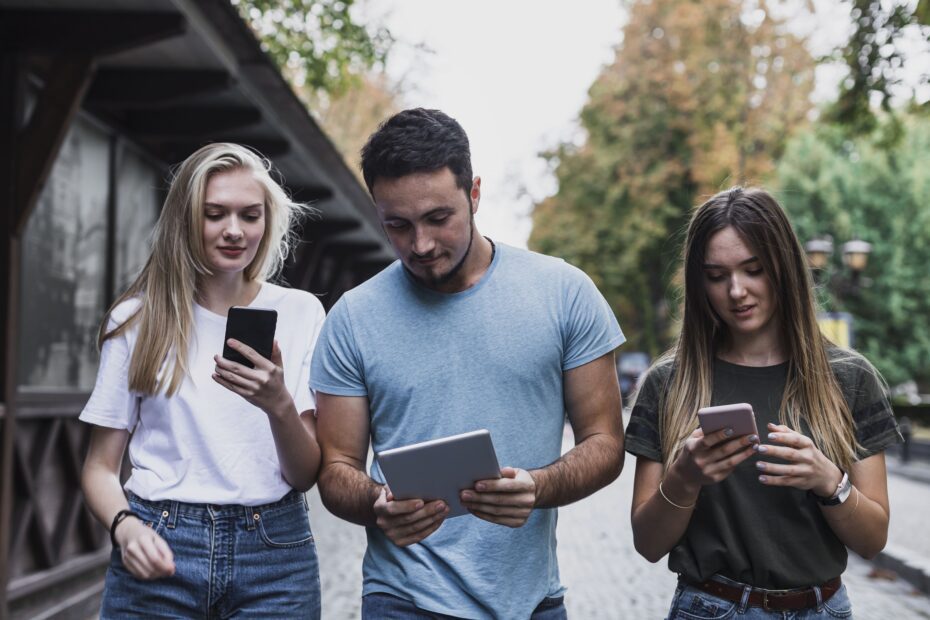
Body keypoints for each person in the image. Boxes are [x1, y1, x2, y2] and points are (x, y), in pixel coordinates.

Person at [310, 108, 626, 619]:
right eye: (398, 225)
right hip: (402, 599)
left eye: (439, 218)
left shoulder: (564, 293)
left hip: (532, 602)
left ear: (474, 193)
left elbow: (607, 444)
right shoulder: (352, 318)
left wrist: (539, 487)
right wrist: (377, 502)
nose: (422, 244)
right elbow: (335, 469)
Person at [626, 187, 902, 618]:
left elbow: (873, 540)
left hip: (823, 608)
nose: (737, 291)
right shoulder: (669, 383)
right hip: (711, 607)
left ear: (784, 267)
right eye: (717, 276)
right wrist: (685, 477)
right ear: (700, 284)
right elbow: (648, 543)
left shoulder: (849, 378)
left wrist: (828, 480)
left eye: (753, 269)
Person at [80, 143, 325, 618]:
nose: (234, 230)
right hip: (161, 539)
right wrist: (125, 527)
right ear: (186, 219)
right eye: (215, 214)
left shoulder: (301, 313)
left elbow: (304, 475)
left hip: (274, 553)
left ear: (267, 222)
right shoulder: (137, 319)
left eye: (250, 215)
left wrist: (278, 405)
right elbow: (99, 468)